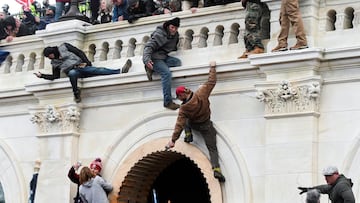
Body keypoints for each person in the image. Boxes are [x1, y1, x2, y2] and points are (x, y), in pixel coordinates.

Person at [166, 61, 226, 183]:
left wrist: (173, 140)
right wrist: (212, 67)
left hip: (194, 124)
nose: (179, 99)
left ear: (182, 95)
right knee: (212, 149)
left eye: (179, 97)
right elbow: (211, 81)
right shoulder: (201, 93)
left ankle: (188, 135)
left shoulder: (183, 109)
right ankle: (216, 169)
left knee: (185, 121)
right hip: (206, 125)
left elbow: (179, 125)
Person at [34, 43, 132, 103]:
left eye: (49, 56)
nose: (50, 58)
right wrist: (42, 76)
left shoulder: (64, 47)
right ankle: (76, 92)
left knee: (97, 70)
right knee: (72, 73)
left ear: (52, 53)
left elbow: (79, 52)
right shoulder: (54, 63)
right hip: (73, 71)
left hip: (81, 66)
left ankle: (119, 71)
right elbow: (55, 76)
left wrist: (87, 62)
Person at [143, 17, 182, 110]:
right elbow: (148, 47)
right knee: (166, 73)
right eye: (172, 27)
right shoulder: (159, 34)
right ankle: (167, 102)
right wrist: (147, 60)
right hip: (154, 58)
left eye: (176, 28)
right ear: (168, 26)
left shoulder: (175, 35)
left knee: (177, 62)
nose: (174, 30)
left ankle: (151, 69)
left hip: (163, 56)